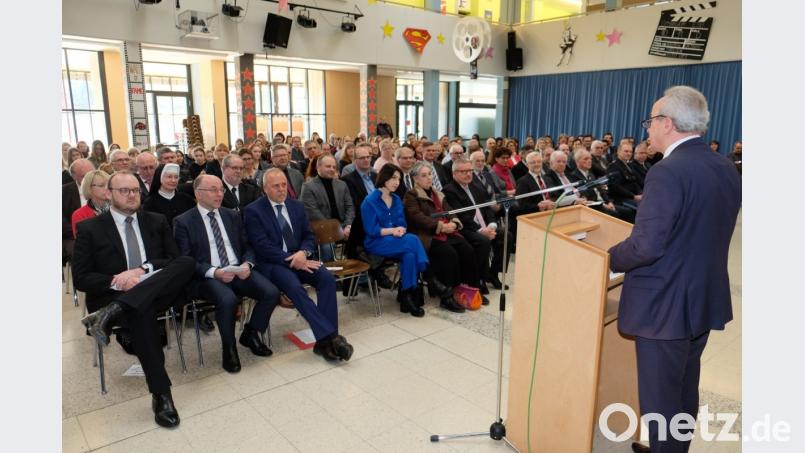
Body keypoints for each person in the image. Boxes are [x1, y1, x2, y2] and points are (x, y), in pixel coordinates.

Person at [608, 86, 741, 453]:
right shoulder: (724, 166)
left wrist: (608, 258)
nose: (648, 129)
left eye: (651, 121)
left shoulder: (667, 172)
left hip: (664, 306)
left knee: (661, 401)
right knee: (682, 388)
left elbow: (646, 245)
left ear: (667, 123)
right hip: (702, 297)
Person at [74, 171, 196, 428]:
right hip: (113, 291)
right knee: (141, 312)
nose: (132, 195)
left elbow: (173, 259)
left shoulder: (156, 220)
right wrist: (117, 280)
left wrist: (141, 270)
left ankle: (111, 313)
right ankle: (162, 394)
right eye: (124, 191)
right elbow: (81, 278)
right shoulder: (90, 228)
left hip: (155, 287)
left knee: (187, 262)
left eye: (135, 190)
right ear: (108, 194)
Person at [244, 169, 354, 362]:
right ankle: (332, 338)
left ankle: (324, 342)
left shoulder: (296, 206)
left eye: (284, 185)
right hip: (274, 263)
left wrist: (303, 253)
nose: (281, 189)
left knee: (326, 279)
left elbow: (308, 235)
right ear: (265, 188)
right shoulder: (254, 210)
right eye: (276, 186)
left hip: (301, 258)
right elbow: (262, 246)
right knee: (295, 287)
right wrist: (293, 258)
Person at [174, 175, 278, 373]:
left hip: (237, 269)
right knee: (228, 300)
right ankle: (229, 348)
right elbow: (186, 260)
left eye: (221, 189)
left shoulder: (232, 215)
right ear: (198, 194)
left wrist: (247, 264)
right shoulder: (183, 221)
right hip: (206, 276)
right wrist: (215, 272)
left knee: (271, 292)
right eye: (213, 190)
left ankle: (251, 333)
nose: (220, 194)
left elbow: (248, 245)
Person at [404, 162, 477, 313]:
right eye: (424, 175)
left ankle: (465, 289)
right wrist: (440, 226)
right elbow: (417, 218)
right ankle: (446, 297)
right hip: (427, 235)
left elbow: (450, 211)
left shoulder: (437, 193)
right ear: (416, 179)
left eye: (430, 174)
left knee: (467, 249)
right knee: (448, 253)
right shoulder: (411, 195)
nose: (429, 178)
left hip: (446, 231)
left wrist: (454, 223)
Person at [361, 164, 429, 317]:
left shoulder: (397, 199)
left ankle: (407, 296)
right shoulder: (369, 201)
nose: (397, 182)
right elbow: (372, 230)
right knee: (413, 240)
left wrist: (401, 230)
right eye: (393, 178)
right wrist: (393, 231)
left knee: (409, 255)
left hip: (397, 240)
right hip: (376, 242)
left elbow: (402, 223)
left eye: (399, 179)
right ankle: (425, 271)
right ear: (384, 178)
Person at [442, 157, 509, 293]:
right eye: (464, 171)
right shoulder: (449, 191)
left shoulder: (476, 186)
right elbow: (462, 217)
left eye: (470, 171)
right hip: (466, 228)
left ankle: (493, 273)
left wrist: (492, 225)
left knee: (506, 235)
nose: (468, 174)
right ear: (454, 174)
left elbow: (487, 208)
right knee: (482, 241)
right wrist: (481, 230)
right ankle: (478, 280)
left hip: (484, 225)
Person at [300, 155, 355, 262]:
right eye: (328, 166)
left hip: (343, 225)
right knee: (327, 245)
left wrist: (348, 225)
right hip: (321, 227)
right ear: (318, 167)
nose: (332, 169)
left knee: (361, 237)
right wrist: (336, 229)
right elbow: (313, 213)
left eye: (334, 167)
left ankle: (355, 271)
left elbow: (350, 207)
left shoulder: (342, 185)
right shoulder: (308, 187)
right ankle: (328, 271)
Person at [63, 159, 95, 265]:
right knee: (81, 253)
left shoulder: (103, 188)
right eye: (84, 176)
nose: (89, 179)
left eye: (92, 174)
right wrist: (80, 232)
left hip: (100, 233)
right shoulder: (64, 192)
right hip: (73, 236)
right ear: (73, 176)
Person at [143, 164, 196, 228]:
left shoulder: (187, 199)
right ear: (160, 178)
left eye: (176, 177)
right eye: (169, 177)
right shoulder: (150, 203)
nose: (173, 180)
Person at [71, 169, 111, 237]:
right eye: (101, 185)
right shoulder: (79, 214)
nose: (107, 188)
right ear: (89, 188)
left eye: (109, 185)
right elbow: (82, 241)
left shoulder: (119, 208)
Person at [607, 141, 643, 210]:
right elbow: (615, 187)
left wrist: (640, 194)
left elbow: (635, 182)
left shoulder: (630, 165)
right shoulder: (613, 166)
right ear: (618, 152)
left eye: (630, 152)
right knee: (642, 209)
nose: (629, 154)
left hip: (632, 197)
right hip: (621, 199)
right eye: (626, 151)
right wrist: (633, 196)